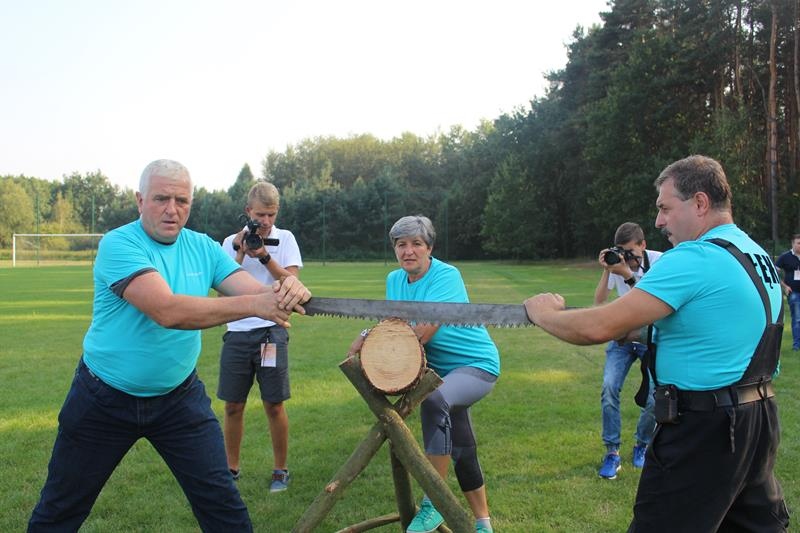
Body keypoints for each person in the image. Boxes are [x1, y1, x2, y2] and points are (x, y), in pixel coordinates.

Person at [28, 159, 311, 532]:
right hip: (103, 399)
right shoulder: (119, 243)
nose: (172, 209)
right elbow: (167, 310)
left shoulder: (202, 247)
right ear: (140, 200)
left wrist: (285, 289)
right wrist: (260, 303)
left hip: (179, 399)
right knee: (60, 510)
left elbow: (255, 291)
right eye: (161, 198)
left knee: (224, 508)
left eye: (182, 200)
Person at [524, 155, 788, 532]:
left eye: (665, 208)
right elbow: (714, 328)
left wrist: (543, 313)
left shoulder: (695, 256)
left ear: (700, 203)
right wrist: (636, 331)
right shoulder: (753, 253)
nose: (659, 221)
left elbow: (596, 327)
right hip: (757, 420)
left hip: (704, 429)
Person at [348, 215, 499, 533]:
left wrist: (376, 342)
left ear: (429, 248)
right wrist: (366, 336)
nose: (408, 251)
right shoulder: (394, 280)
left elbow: (422, 334)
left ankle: (434, 504)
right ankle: (483, 524)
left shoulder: (447, 276)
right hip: (440, 372)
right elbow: (395, 325)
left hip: (475, 366)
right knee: (462, 447)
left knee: (435, 400)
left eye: (416, 244)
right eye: (401, 244)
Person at [218, 181, 303, 492]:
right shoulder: (230, 242)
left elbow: (293, 284)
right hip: (237, 332)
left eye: (271, 214)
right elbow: (222, 289)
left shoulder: (286, 239)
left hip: (271, 332)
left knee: (274, 404)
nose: (265, 222)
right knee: (233, 405)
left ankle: (280, 470)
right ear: (247, 212)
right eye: (259, 215)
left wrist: (265, 256)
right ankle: (230, 469)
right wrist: (241, 252)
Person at [593, 222, 661, 479]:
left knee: (655, 397)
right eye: (622, 251)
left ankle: (642, 444)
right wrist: (608, 270)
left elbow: (649, 302)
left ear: (643, 245)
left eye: (631, 251)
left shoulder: (660, 261)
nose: (628, 257)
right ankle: (612, 452)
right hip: (622, 338)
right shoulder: (618, 264)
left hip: (650, 338)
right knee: (609, 388)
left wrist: (627, 273)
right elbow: (599, 301)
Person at [774, 234, 800, 351]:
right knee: (797, 318)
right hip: (794, 292)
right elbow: (773, 272)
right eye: (798, 243)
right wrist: (784, 285)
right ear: (793, 244)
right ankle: (797, 345)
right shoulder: (785, 257)